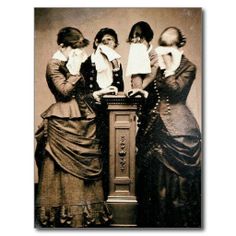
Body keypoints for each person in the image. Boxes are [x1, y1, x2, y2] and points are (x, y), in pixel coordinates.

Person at [35, 27, 115, 228]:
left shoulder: (71, 63)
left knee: (84, 170)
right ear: (62, 46)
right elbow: (63, 93)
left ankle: (86, 214)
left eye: (79, 48)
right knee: (62, 171)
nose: (77, 52)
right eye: (73, 48)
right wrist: (75, 71)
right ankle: (66, 215)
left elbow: (80, 96)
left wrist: (100, 93)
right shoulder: (53, 64)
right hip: (62, 122)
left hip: (82, 120)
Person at [128, 26, 202, 227]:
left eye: (169, 46)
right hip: (155, 125)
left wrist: (168, 66)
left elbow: (176, 92)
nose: (164, 51)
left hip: (179, 128)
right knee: (153, 176)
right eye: (163, 46)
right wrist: (143, 92)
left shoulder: (189, 67)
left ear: (180, 45)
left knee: (175, 181)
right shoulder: (159, 65)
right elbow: (152, 89)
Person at [80, 28, 124, 198]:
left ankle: (108, 194)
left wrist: (114, 68)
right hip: (92, 114)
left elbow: (120, 89)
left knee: (110, 153)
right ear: (96, 43)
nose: (107, 43)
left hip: (109, 115)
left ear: (115, 45)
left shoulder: (116, 63)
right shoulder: (87, 62)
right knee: (93, 154)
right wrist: (97, 95)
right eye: (104, 40)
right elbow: (81, 94)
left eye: (111, 40)